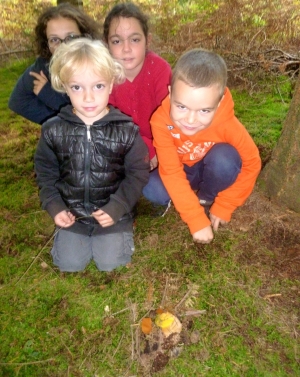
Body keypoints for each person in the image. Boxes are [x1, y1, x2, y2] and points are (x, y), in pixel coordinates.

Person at [34, 38, 149, 272]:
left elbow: (137, 175)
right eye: (77, 87)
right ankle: (71, 239)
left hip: (112, 215)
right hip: (72, 216)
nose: (88, 97)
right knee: (69, 264)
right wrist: (55, 206)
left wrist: (117, 207)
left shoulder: (126, 131)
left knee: (110, 263)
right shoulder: (53, 130)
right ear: (65, 87)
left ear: (110, 84)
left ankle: (119, 235)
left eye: (98, 86)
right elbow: (45, 173)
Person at [151, 48, 261, 244]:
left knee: (225, 159)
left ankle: (206, 198)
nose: (190, 120)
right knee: (152, 189)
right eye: (181, 106)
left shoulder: (228, 124)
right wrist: (195, 219)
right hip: (181, 170)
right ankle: (186, 199)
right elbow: (170, 171)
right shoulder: (160, 120)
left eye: (204, 110)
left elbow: (252, 162)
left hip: (210, 169)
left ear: (218, 105)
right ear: (170, 93)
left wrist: (226, 203)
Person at [103, 2, 172, 214]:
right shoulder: (105, 76)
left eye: (134, 39)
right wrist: (144, 148)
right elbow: (109, 123)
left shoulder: (159, 70)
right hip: (123, 149)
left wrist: (156, 149)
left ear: (147, 40)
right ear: (107, 45)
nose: (126, 48)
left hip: (163, 149)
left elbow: (171, 118)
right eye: (117, 41)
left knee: (157, 192)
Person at [8, 3, 101, 125]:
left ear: (85, 35)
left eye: (71, 37)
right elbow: (17, 101)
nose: (63, 46)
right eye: (54, 40)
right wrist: (58, 122)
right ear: (47, 44)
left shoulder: (99, 64)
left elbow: (93, 114)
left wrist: (50, 96)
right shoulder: (43, 67)